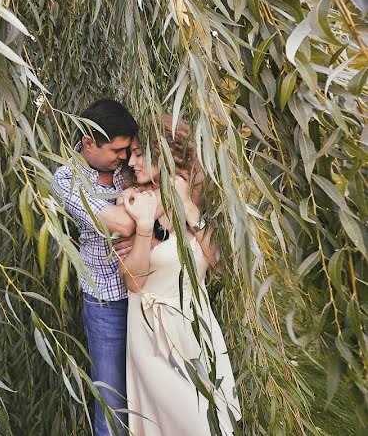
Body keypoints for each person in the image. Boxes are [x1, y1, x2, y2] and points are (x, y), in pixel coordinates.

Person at [120, 116, 241, 435]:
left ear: (162, 151)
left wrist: (190, 209)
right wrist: (145, 227)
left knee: (214, 421)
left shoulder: (203, 193)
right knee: (188, 423)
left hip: (198, 325)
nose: (130, 161)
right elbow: (132, 281)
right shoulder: (135, 201)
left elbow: (219, 266)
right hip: (154, 333)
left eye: (136, 152)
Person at [51, 99, 140, 436]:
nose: (125, 157)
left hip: (147, 297)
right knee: (112, 399)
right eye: (117, 150)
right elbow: (124, 225)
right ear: (89, 142)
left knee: (150, 393)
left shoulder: (130, 167)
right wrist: (142, 225)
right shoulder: (67, 178)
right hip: (108, 304)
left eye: (127, 150)